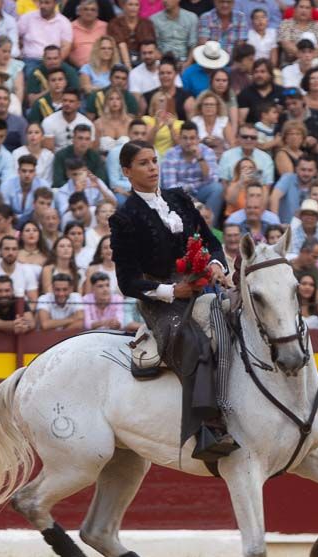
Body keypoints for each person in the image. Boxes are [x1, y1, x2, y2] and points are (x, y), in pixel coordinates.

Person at [108, 140, 235, 461]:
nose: (153, 168)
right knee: (196, 344)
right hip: (160, 301)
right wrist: (170, 291)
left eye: (154, 161)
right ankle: (207, 428)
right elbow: (127, 282)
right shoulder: (125, 218)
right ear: (126, 171)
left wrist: (217, 266)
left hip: (203, 287)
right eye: (143, 163)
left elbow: (211, 241)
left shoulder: (178, 198)